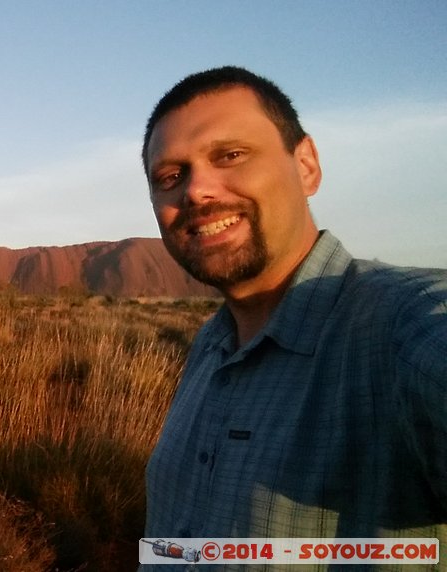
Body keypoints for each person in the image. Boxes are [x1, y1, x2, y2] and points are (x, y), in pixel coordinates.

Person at [140, 67, 446, 559]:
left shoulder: (400, 334)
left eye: (231, 155)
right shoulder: (210, 346)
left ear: (306, 165)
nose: (196, 191)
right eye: (171, 176)